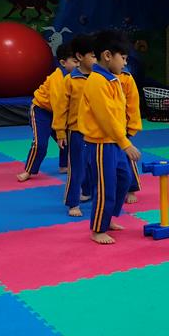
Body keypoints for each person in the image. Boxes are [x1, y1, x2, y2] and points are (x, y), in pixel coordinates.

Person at [78, 30, 141, 244]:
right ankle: (98, 229)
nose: (125, 63)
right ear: (107, 56)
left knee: (124, 179)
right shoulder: (97, 82)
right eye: (122, 58)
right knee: (105, 187)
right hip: (100, 144)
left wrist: (125, 135)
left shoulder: (113, 80)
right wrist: (126, 144)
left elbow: (119, 112)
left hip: (114, 142)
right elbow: (106, 118)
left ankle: (108, 217)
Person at [17, 43, 77, 182]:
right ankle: (29, 170)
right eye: (75, 61)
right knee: (41, 144)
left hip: (59, 113)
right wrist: (61, 128)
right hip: (41, 110)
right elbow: (58, 105)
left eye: (80, 61)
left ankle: (64, 165)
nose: (78, 64)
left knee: (68, 140)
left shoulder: (76, 77)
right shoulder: (58, 78)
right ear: (63, 63)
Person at [56, 35, 97, 216]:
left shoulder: (99, 78)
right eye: (93, 56)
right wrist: (60, 132)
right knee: (77, 168)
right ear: (80, 57)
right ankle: (73, 202)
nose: (96, 60)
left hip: (97, 131)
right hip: (77, 131)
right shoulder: (70, 80)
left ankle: (88, 192)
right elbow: (61, 109)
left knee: (94, 165)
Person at [120, 64, 142, 204]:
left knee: (127, 158)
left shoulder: (126, 77)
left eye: (125, 59)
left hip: (122, 127)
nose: (124, 63)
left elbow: (133, 104)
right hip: (101, 129)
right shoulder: (96, 78)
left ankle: (131, 188)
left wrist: (132, 126)